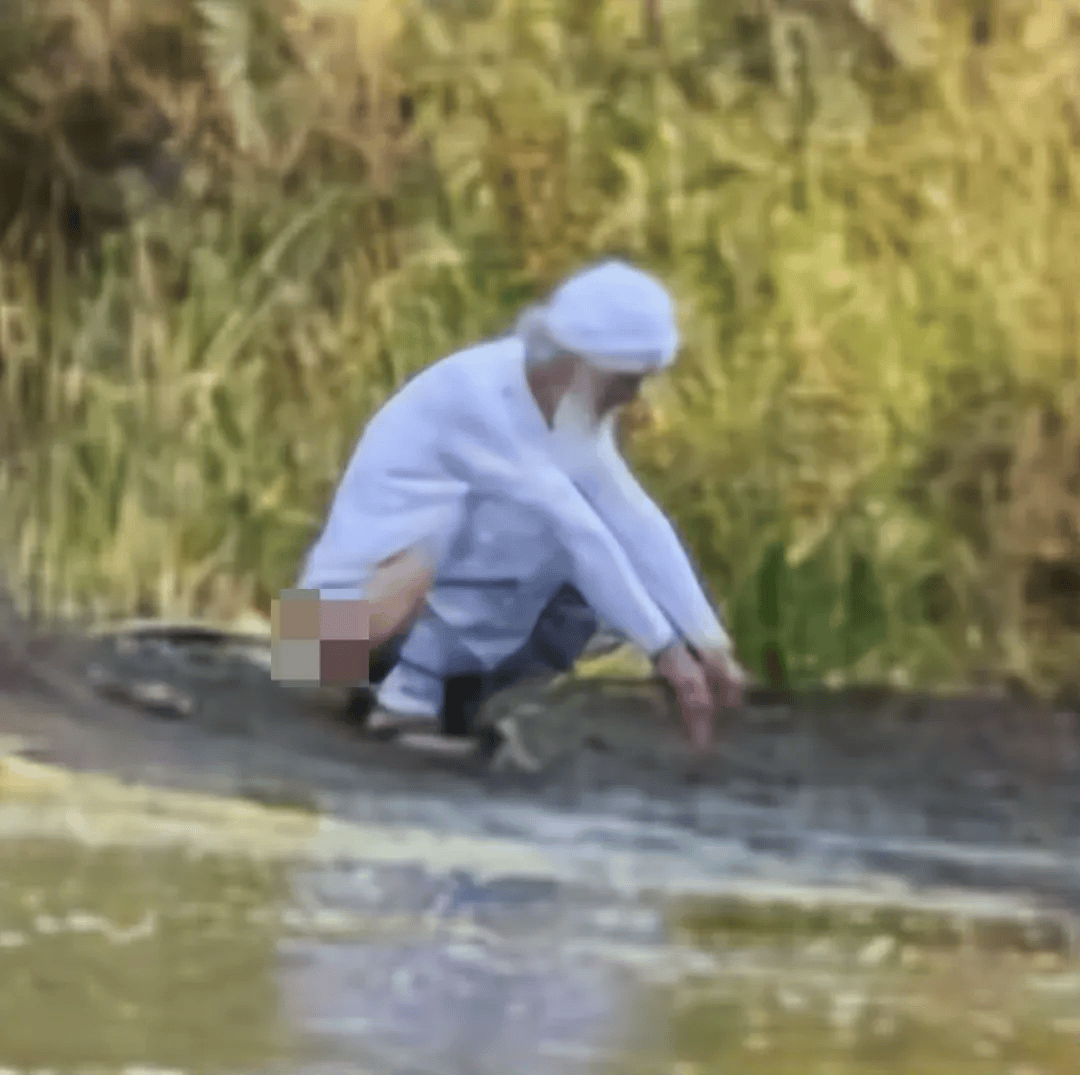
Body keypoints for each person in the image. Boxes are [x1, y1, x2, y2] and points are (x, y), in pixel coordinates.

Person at [297, 259, 747, 766]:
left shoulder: (561, 405)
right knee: (540, 536)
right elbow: (577, 531)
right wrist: (667, 653)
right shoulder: (480, 397)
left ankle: (446, 696)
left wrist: (707, 641)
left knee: (593, 590)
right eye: (626, 381)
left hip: (369, 621)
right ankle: (406, 703)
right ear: (580, 361)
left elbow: (632, 518)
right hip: (314, 637)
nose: (634, 399)